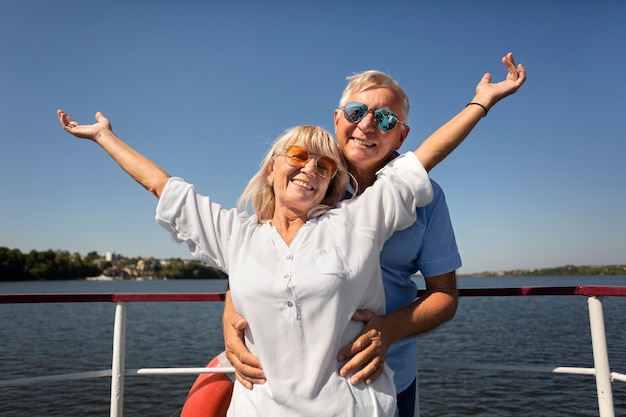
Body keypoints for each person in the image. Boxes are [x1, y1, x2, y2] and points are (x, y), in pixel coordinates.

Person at [222, 53, 526, 416]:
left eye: (385, 119)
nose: (366, 125)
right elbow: (255, 258)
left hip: (387, 378)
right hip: (293, 391)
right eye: (355, 112)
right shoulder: (304, 179)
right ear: (338, 119)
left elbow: (444, 296)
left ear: (402, 134)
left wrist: (388, 330)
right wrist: (230, 322)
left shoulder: (425, 197)